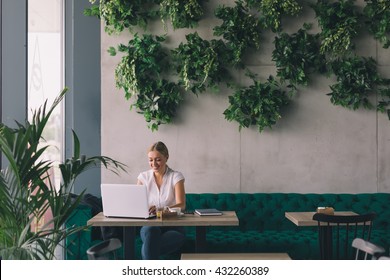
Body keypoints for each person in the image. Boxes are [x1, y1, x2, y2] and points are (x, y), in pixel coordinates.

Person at [137, 141, 186, 259]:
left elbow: (182, 205)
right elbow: (136, 205)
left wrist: (160, 209)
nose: (154, 163)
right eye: (150, 160)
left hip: (173, 226)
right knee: (152, 232)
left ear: (166, 157)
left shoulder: (176, 176)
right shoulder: (143, 177)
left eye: (158, 159)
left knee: (150, 245)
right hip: (149, 226)